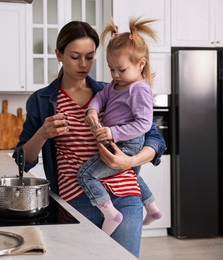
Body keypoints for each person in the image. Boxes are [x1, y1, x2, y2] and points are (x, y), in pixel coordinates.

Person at [12, 20, 166, 258]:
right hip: (76, 201)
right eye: (75, 56)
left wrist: (129, 161)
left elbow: (154, 139)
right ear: (59, 55)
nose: (84, 65)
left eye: (90, 57)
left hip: (125, 197)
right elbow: (23, 160)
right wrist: (43, 133)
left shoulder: (114, 90)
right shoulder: (42, 100)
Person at [77, 17, 162, 236]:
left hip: (127, 143)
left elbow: (144, 124)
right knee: (132, 174)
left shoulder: (139, 90)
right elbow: (99, 97)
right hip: (118, 140)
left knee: (86, 174)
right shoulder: (115, 85)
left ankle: (110, 214)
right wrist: (92, 110)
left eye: (121, 70)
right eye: (111, 69)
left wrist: (113, 132)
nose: (114, 75)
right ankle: (152, 207)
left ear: (140, 64)